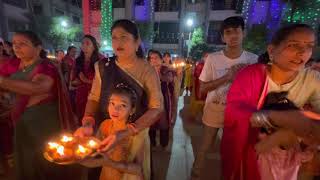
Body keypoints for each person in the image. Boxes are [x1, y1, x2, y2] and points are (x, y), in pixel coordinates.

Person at [221, 24, 318, 180]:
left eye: (309, 46)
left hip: (287, 160)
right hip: (255, 154)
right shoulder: (252, 75)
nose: (303, 52)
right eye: (293, 45)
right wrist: (275, 118)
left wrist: (313, 146)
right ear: (272, 51)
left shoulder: (312, 79)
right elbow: (234, 110)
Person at [74, 19, 163, 179]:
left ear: (137, 42)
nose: (118, 42)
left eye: (124, 37)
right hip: (104, 130)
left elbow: (157, 107)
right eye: (114, 37)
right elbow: (94, 98)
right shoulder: (102, 66)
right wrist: (88, 123)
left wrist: (125, 132)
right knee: (98, 168)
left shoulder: (146, 69)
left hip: (133, 135)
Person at [0, 31, 82, 180]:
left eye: (23, 44)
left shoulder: (46, 67)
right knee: (26, 159)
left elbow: (38, 88)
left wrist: (3, 82)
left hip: (43, 123)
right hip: (21, 122)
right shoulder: (13, 64)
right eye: (14, 44)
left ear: (38, 48)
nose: (17, 47)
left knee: (44, 159)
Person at [191, 16, 258, 179]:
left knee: (235, 150)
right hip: (215, 109)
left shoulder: (253, 59)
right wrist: (228, 77)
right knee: (205, 146)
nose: (233, 35)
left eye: (237, 31)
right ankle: (195, 173)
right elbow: (203, 89)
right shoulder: (213, 59)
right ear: (223, 37)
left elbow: (257, 89)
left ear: (244, 33)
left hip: (240, 115)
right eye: (228, 32)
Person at [81, 84, 150, 180]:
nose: (115, 109)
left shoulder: (135, 133)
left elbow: (138, 169)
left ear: (132, 110)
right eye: (112, 103)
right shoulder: (105, 125)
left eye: (123, 105)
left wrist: (110, 163)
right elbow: (95, 150)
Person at [71, 35, 104, 121]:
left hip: (95, 95)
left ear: (94, 46)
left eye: (87, 43)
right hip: (81, 94)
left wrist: (86, 80)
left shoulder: (101, 60)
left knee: (94, 118)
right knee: (82, 118)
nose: (84, 45)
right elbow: (72, 81)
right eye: (82, 43)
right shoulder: (78, 61)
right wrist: (76, 82)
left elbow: (104, 82)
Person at [148, 50, 175, 150]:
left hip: (163, 99)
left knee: (163, 122)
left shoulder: (166, 69)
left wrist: (157, 73)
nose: (153, 60)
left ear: (161, 59)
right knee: (151, 121)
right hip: (150, 99)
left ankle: (164, 143)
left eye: (156, 58)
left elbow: (169, 79)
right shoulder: (147, 70)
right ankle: (152, 143)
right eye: (151, 58)